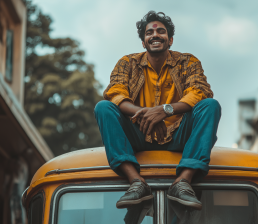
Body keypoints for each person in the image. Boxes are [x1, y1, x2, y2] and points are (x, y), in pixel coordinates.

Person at [94, 11, 221, 210]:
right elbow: (115, 94)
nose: (155, 35)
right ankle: (136, 182)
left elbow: (200, 91)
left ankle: (183, 181)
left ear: (170, 40)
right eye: (149, 33)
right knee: (103, 107)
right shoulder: (127, 63)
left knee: (210, 105)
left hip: (180, 135)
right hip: (139, 134)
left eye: (161, 31)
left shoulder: (188, 62)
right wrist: (148, 113)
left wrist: (165, 110)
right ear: (143, 42)